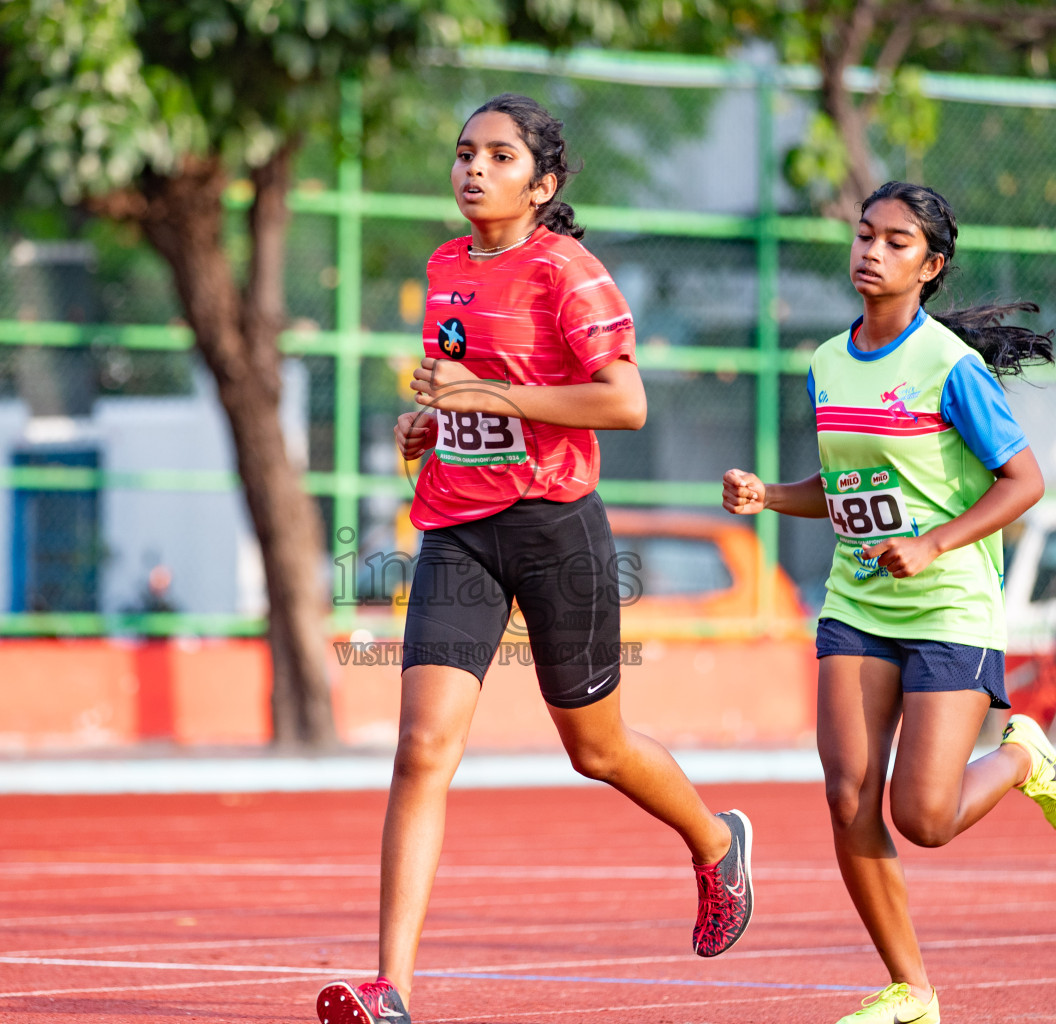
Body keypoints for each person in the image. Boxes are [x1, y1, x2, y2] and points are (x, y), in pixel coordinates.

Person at [316, 93, 755, 1024]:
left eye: (500, 156)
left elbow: (624, 405)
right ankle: (390, 988)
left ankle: (716, 841)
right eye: (465, 151)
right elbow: (473, 391)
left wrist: (491, 395)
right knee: (421, 748)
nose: (473, 168)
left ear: (542, 184)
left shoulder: (569, 271)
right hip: (456, 528)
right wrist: (435, 423)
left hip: (556, 531)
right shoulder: (442, 267)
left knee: (594, 748)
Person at [722, 181, 1056, 1024]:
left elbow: (1024, 482)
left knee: (922, 816)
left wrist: (933, 543)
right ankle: (910, 990)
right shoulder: (826, 362)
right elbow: (849, 487)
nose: (872, 252)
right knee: (847, 793)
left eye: (895, 241)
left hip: (950, 606)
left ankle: (1026, 757)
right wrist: (771, 496)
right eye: (864, 235)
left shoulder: (950, 369)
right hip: (856, 602)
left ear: (932, 265)